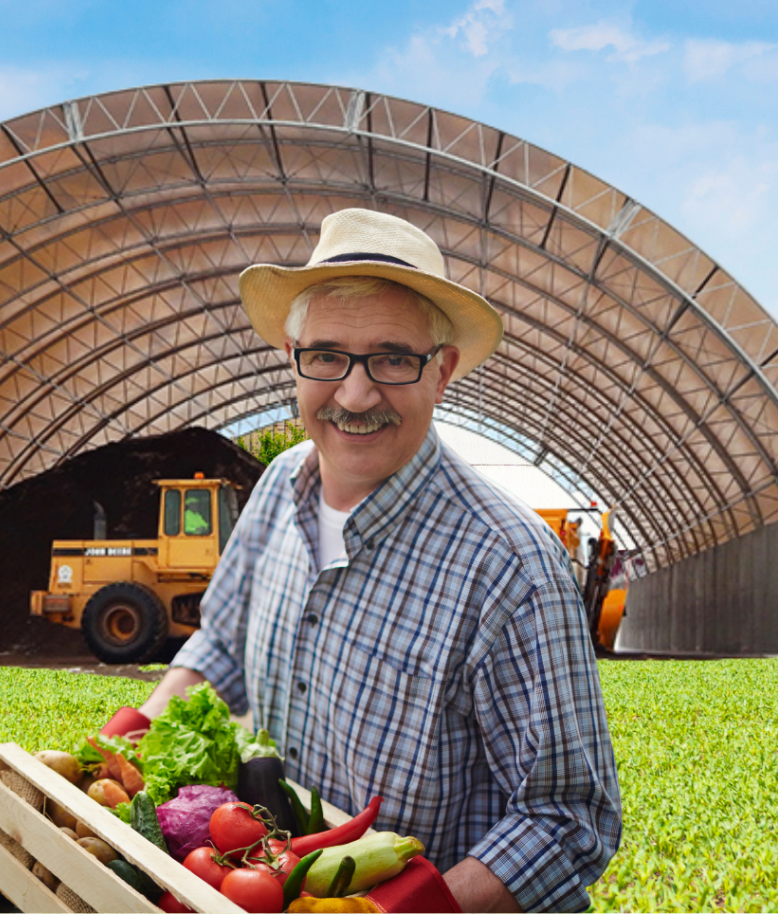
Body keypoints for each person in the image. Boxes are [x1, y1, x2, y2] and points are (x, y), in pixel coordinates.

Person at [134, 209, 622, 912]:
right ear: (292, 353)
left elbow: (569, 822)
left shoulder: (508, 566)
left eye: (393, 358)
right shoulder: (276, 489)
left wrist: (383, 911)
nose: (355, 395)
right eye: (327, 355)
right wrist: (127, 744)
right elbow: (220, 646)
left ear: (443, 370)